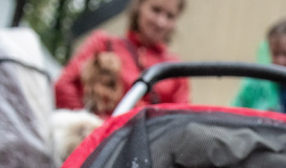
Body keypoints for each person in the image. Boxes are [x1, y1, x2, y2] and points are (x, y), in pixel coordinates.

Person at [54, 0, 190, 117]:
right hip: (102, 140)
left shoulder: (174, 67)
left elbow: (181, 118)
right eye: (155, 10)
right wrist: (91, 125)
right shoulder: (104, 44)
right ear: (140, 6)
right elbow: (63, 86)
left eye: (170, 16)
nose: (161, 22)